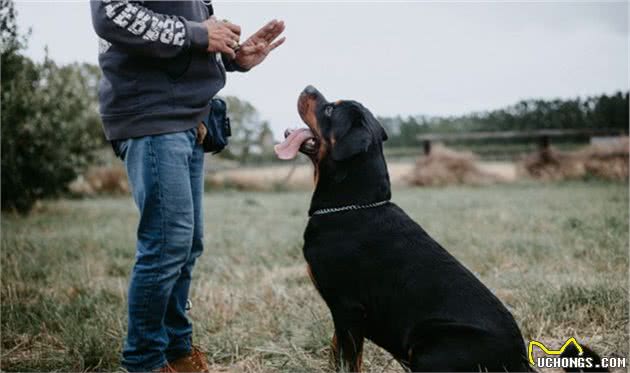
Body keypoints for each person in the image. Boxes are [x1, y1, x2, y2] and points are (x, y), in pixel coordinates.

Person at [89, 2, 285, 372]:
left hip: (187, 117)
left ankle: (177, 353)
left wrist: (231, 57)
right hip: (152, 116)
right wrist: (199, 33)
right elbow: (111, 13)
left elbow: (180, 42)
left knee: (185, 245)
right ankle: (144, 362)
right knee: (166, 246)